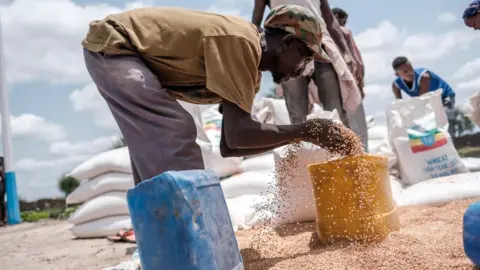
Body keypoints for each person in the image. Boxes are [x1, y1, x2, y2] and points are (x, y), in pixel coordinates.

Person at [82, 6, 349, 185]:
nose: (301, 71)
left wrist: (303, 133)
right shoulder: (241, 41)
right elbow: (240, 134)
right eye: (303, 59)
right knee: (174, 131)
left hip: (123, 53)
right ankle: (191, 244)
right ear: (288, 43)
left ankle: (165, 245)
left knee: (155, 153)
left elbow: (232, 143)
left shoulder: (249, 70)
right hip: (117, 46)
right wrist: (307, 130)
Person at [252, 0, 361, 127]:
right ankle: (302, 144)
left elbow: (330, 21)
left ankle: (341, 144)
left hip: (320, 45)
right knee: (297, 115)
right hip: (288, 49)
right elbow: (256, 24)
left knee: (334, 111)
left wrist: (346, 53)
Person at [332, 7, 368, 150]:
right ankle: (363, 161)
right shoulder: (344, 32)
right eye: (342, 21)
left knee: (340, 125)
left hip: (328, 87)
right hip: (347, 81)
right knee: (357, 125)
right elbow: (357, 61)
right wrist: (360, 84)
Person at [391, 56, 456, 109]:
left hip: (444, 96)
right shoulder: (396, 85)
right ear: (397, 74)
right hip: (429, 100)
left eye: (411, 68)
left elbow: (421, 101)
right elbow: (399, 104)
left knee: (446, 115)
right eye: (405, 71)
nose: (410, 72)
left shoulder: (424, 77)